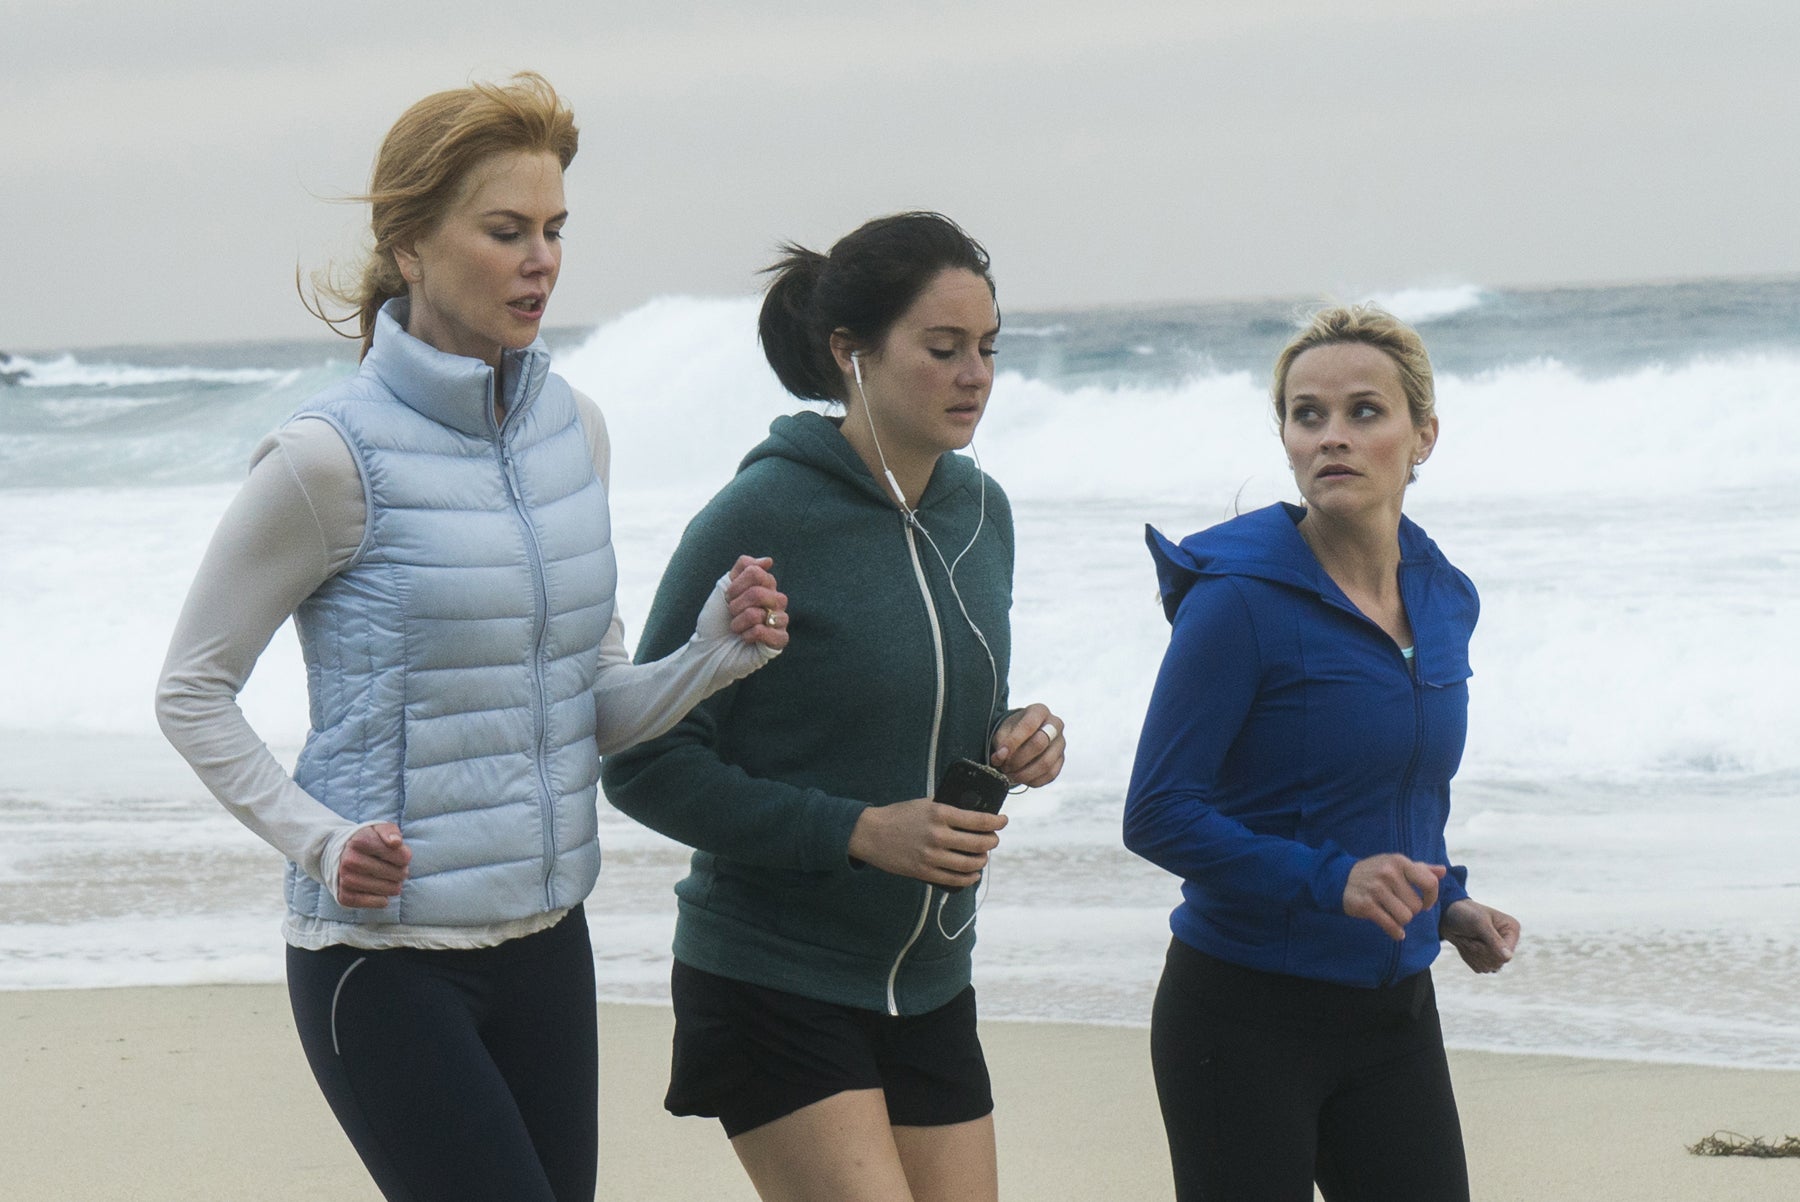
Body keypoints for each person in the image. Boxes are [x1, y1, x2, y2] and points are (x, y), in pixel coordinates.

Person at [154, 73, 788, 1202]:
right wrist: (319, 840)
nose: (541, 258)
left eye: (553, 230)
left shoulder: (573, 429)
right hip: (382, 961)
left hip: (548, 939)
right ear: (409, 245)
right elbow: (192, 690)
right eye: (506, 231)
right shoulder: (326, 458)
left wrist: (710, 651)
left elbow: (591, 702)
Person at [601, 212, 1065, 1202]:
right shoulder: (760, 513)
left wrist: (1018, 739)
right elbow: (641, 755)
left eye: (987, 348)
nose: (975, 374)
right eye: (943, 349)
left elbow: (922, 703)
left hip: (931, 975)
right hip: (774, 973)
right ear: (851, 353)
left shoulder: (984, 513)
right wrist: (859, 832)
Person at [1122, 304, 1521, 1201]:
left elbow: (1401, 793)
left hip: (1394, 1013)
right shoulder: (1238, 604)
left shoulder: (1444, 597)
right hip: (1242, 1016)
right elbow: (1156, 815)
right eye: (1309, 416)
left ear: (1423, 437)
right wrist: (1331, 879)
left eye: (1364, 412)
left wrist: (1445, 901)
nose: (1332, 437)